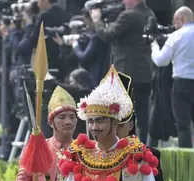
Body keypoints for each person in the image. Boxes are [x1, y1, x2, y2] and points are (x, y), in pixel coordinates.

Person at [91, 0, 155, 144]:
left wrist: (97, 20)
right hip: (144, 72)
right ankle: (142, 147)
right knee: (142, 115)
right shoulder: (149, 14)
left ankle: (126, 149)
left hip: (127, 72)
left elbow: (107, 34)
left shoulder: (128, 16)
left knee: (124, 114)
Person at [151, 6, 194, 148]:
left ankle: (187, 164)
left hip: (182, 83)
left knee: (183, 125)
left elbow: (161, 61)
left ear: (180, 19)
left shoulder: (177, 36)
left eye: (175, 23)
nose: (174, 27)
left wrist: (154, 46)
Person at [27, 0, 71, 79]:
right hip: (64, 57)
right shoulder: (66, 14)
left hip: (47, 59)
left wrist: (29, 25)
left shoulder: (44, 16)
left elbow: (33, 41)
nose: (37, 3)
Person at [69, 10, 109, 87]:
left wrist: (75, 45)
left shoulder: (96, 37)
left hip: (96, 75)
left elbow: (84, 57)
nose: (87, 25)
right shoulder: (104, 33)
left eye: (87, 22)